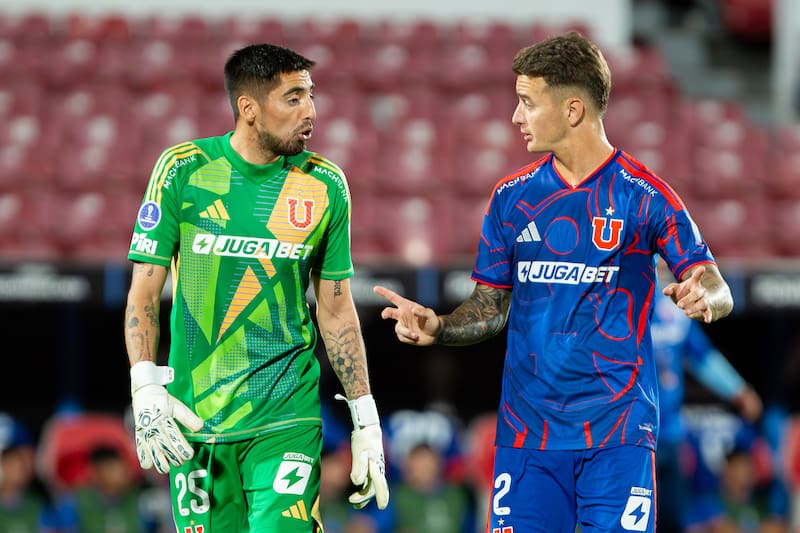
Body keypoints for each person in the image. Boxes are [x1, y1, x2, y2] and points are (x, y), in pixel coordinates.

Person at [374, 31, 734, 533]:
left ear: (571, 110)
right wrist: (438, 325)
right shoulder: (511, 197)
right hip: (527, 439)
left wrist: (705, 297)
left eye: (526, 102)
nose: (515, 116)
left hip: (618, 436)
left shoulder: (646, 195)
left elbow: (713, 281)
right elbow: (489, 307)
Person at [123, 43, 388, 532]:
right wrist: (144, 388)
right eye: (293, 98)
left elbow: (335, 310)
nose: (311, 111)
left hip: (286, 413)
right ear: (249, 108)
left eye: (311, 96)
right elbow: (143, 292)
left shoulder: (325, 184)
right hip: (194, 417)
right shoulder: (183, 170)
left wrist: (365, 419)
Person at [652, 260, 762, 533]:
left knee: (673, 519)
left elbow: (702, 357)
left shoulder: (673, 310)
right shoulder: (624, 302)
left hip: (670, 432)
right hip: (632, 432)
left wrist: (738, 389)